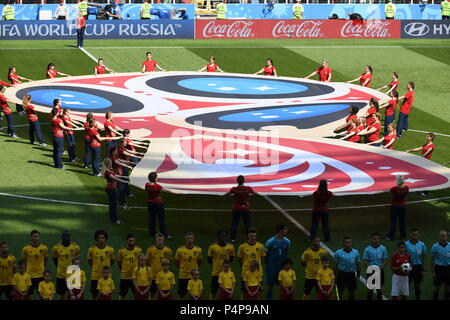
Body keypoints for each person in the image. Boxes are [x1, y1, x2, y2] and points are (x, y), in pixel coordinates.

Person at [224, 175, 256, 242]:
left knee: (234, 223)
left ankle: (232, 238)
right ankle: (248, 238)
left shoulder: (234, 189)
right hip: (246, 208)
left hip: (236, 208)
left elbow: (229, 194)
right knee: (247, 224)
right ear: (243, 181)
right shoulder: (248, 188)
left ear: (237, 181)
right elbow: (253, 193)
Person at [237, 228, 266, 299]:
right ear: (248, 236)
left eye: (254, 236)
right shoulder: (242, 246)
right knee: (244, 292)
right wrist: (245, 266)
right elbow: (239, 259)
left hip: (258, 273)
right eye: (251, 236)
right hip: (245, 273)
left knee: (258, 292)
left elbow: (263, 258)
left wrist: (257, 267)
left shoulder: (260, 246)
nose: (253, 238)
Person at [52, 231, 80, 300]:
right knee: (62, 293)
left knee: (71, 292)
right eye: (64, 236)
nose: (66, 238)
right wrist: (59, 266)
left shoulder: (75, 247)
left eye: (67, 236)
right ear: (62, 237)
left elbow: (78, 259)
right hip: (61, 274)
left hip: (72, 274)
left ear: (70, 237)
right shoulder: (56, 247)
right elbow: (55, 259)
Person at [264, 224, 290, 300]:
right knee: (271, 284)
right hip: (272, 266)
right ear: (280, 231)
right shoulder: (270, 242)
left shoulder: (287, 241)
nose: (287, 231)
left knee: (283, 283)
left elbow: (286, 252)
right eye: (285, 229)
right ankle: (269, 298)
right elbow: (266, 254)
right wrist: (269, 264)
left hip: (282, 266)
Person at [87, 230, 115, 300]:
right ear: (96, 238)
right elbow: (89, 260)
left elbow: (112, 260)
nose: (101, 239)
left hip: (106, 275)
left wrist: (107, 269)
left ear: (105, 238)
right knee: (94, 293)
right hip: (95, 275)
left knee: (107, 292)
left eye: (103, 238)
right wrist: (94, 268)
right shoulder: (91, 249)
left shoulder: (110, 249)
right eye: (99, 238)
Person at [207, 230, 235, 299]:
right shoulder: (213, 247)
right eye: (222, 236)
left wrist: (227, 266)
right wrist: (215, 265)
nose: (223, 238)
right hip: (216, 272)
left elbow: (231, 258)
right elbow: (209, 259)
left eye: (225, 236)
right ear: (218, 237)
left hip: (227, 273)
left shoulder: (230, 247)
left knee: (227, 290)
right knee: (213, 290)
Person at [175, 232, 203, 299]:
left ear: (193, 239)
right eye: (188, 238)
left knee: (195, 293)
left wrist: (195, 269)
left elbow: (200, 260)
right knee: (181, 294)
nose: (190, 240)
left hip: (194, 275)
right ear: (185, 239)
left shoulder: (198, 250)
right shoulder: (180, 250)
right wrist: (182, 269)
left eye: (191, 238)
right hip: (183, 275)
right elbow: (177, 262)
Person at [22, 230, 48, 298]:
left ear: (39, 237)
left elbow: (46, 259)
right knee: (27, 294)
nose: (35, 238)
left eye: (37, 236)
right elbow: (24, 260)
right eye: (34, 236)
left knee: (42, 294)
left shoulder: (44, 248)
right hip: (29, 275)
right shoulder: (26, 248)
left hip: (40, 274)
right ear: (31, 237)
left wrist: (43, 268)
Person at [146, 233, 173, 300]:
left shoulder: (168, 250)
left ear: (164, 240)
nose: (160, 241)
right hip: (153, 276)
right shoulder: (150, 249)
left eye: (161, 240)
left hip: (164, 276)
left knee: (162, 293)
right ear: (155, 240)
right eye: (159, 240)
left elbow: (169, 261)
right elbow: (147, 261)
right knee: (152, 293)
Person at [301, 235, 328, 299]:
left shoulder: (323, 251)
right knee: (306, 293)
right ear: (312, 242)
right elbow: (303, 262)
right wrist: (311, 268)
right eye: (316, 241)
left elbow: (325, 262)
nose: (318, 243)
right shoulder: (307, 252)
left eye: (319, 241)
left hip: (320, 276)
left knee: (320, 292)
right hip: (310, 276)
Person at [362, 232, 388, 300]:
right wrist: (370, 268)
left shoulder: (383, 248)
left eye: (377, 238)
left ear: (379, 239)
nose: (376, 240)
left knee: (379, 290)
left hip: (380, 270)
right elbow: (365, 261)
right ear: (372, 239)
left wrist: (382, 267)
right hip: (371, 271)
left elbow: (385, 259)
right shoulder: (367, 249)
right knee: (370, 289)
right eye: (374, 238)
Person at [103, 157, 129, 224]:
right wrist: (124, 181)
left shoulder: (109, 170)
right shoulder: (107, 172)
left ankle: (114, 219)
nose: (111, 163)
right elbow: (115, 178)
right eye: (110, 163)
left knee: (113, 204)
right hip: (111, 189)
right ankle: (114, 219)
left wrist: (124, 177)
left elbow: (116, 175)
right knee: (113, 205)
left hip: (112, 189)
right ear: (108, 164)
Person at [118, 234, 142, 300]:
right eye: (130, 241)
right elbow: (119, 263)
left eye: (133, 240)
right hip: (125, 277)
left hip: (135, 276)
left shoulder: (138, 249)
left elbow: (140, 261)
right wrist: (123, 271)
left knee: (136, 293)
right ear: (127, 241)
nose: (131, 242)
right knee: (122, 293)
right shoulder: (121, 251)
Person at [405, 228, 427, 300]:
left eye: (416, 235)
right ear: (410, 235)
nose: (415, 236)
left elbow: (424, 258)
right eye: (413, 235)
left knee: (417, 285)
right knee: (406, 285)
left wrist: (424, 269)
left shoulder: (422, 244)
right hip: (408, 266)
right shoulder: (406, 244)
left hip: (418, 267)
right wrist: (404, 269)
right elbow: (403, 257)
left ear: (418, 235)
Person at [387, 175, 409, 241]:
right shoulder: (406, 188)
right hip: (403, 206)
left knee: (394, 222)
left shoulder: (394, 189)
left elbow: (390, 192)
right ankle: (403, 235)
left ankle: (391, 236)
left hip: (395, 206)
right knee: (402, 222)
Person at [431, 230, 450, 300]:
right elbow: (432, 259)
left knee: (447, 287)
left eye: (445, 236)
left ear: (447, 236)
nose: (444, 237)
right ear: (439, 237)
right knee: (437, 288)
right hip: (438, 269)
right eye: (442, 236)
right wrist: (433, 271)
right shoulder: (435, 246)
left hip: (448, 268)